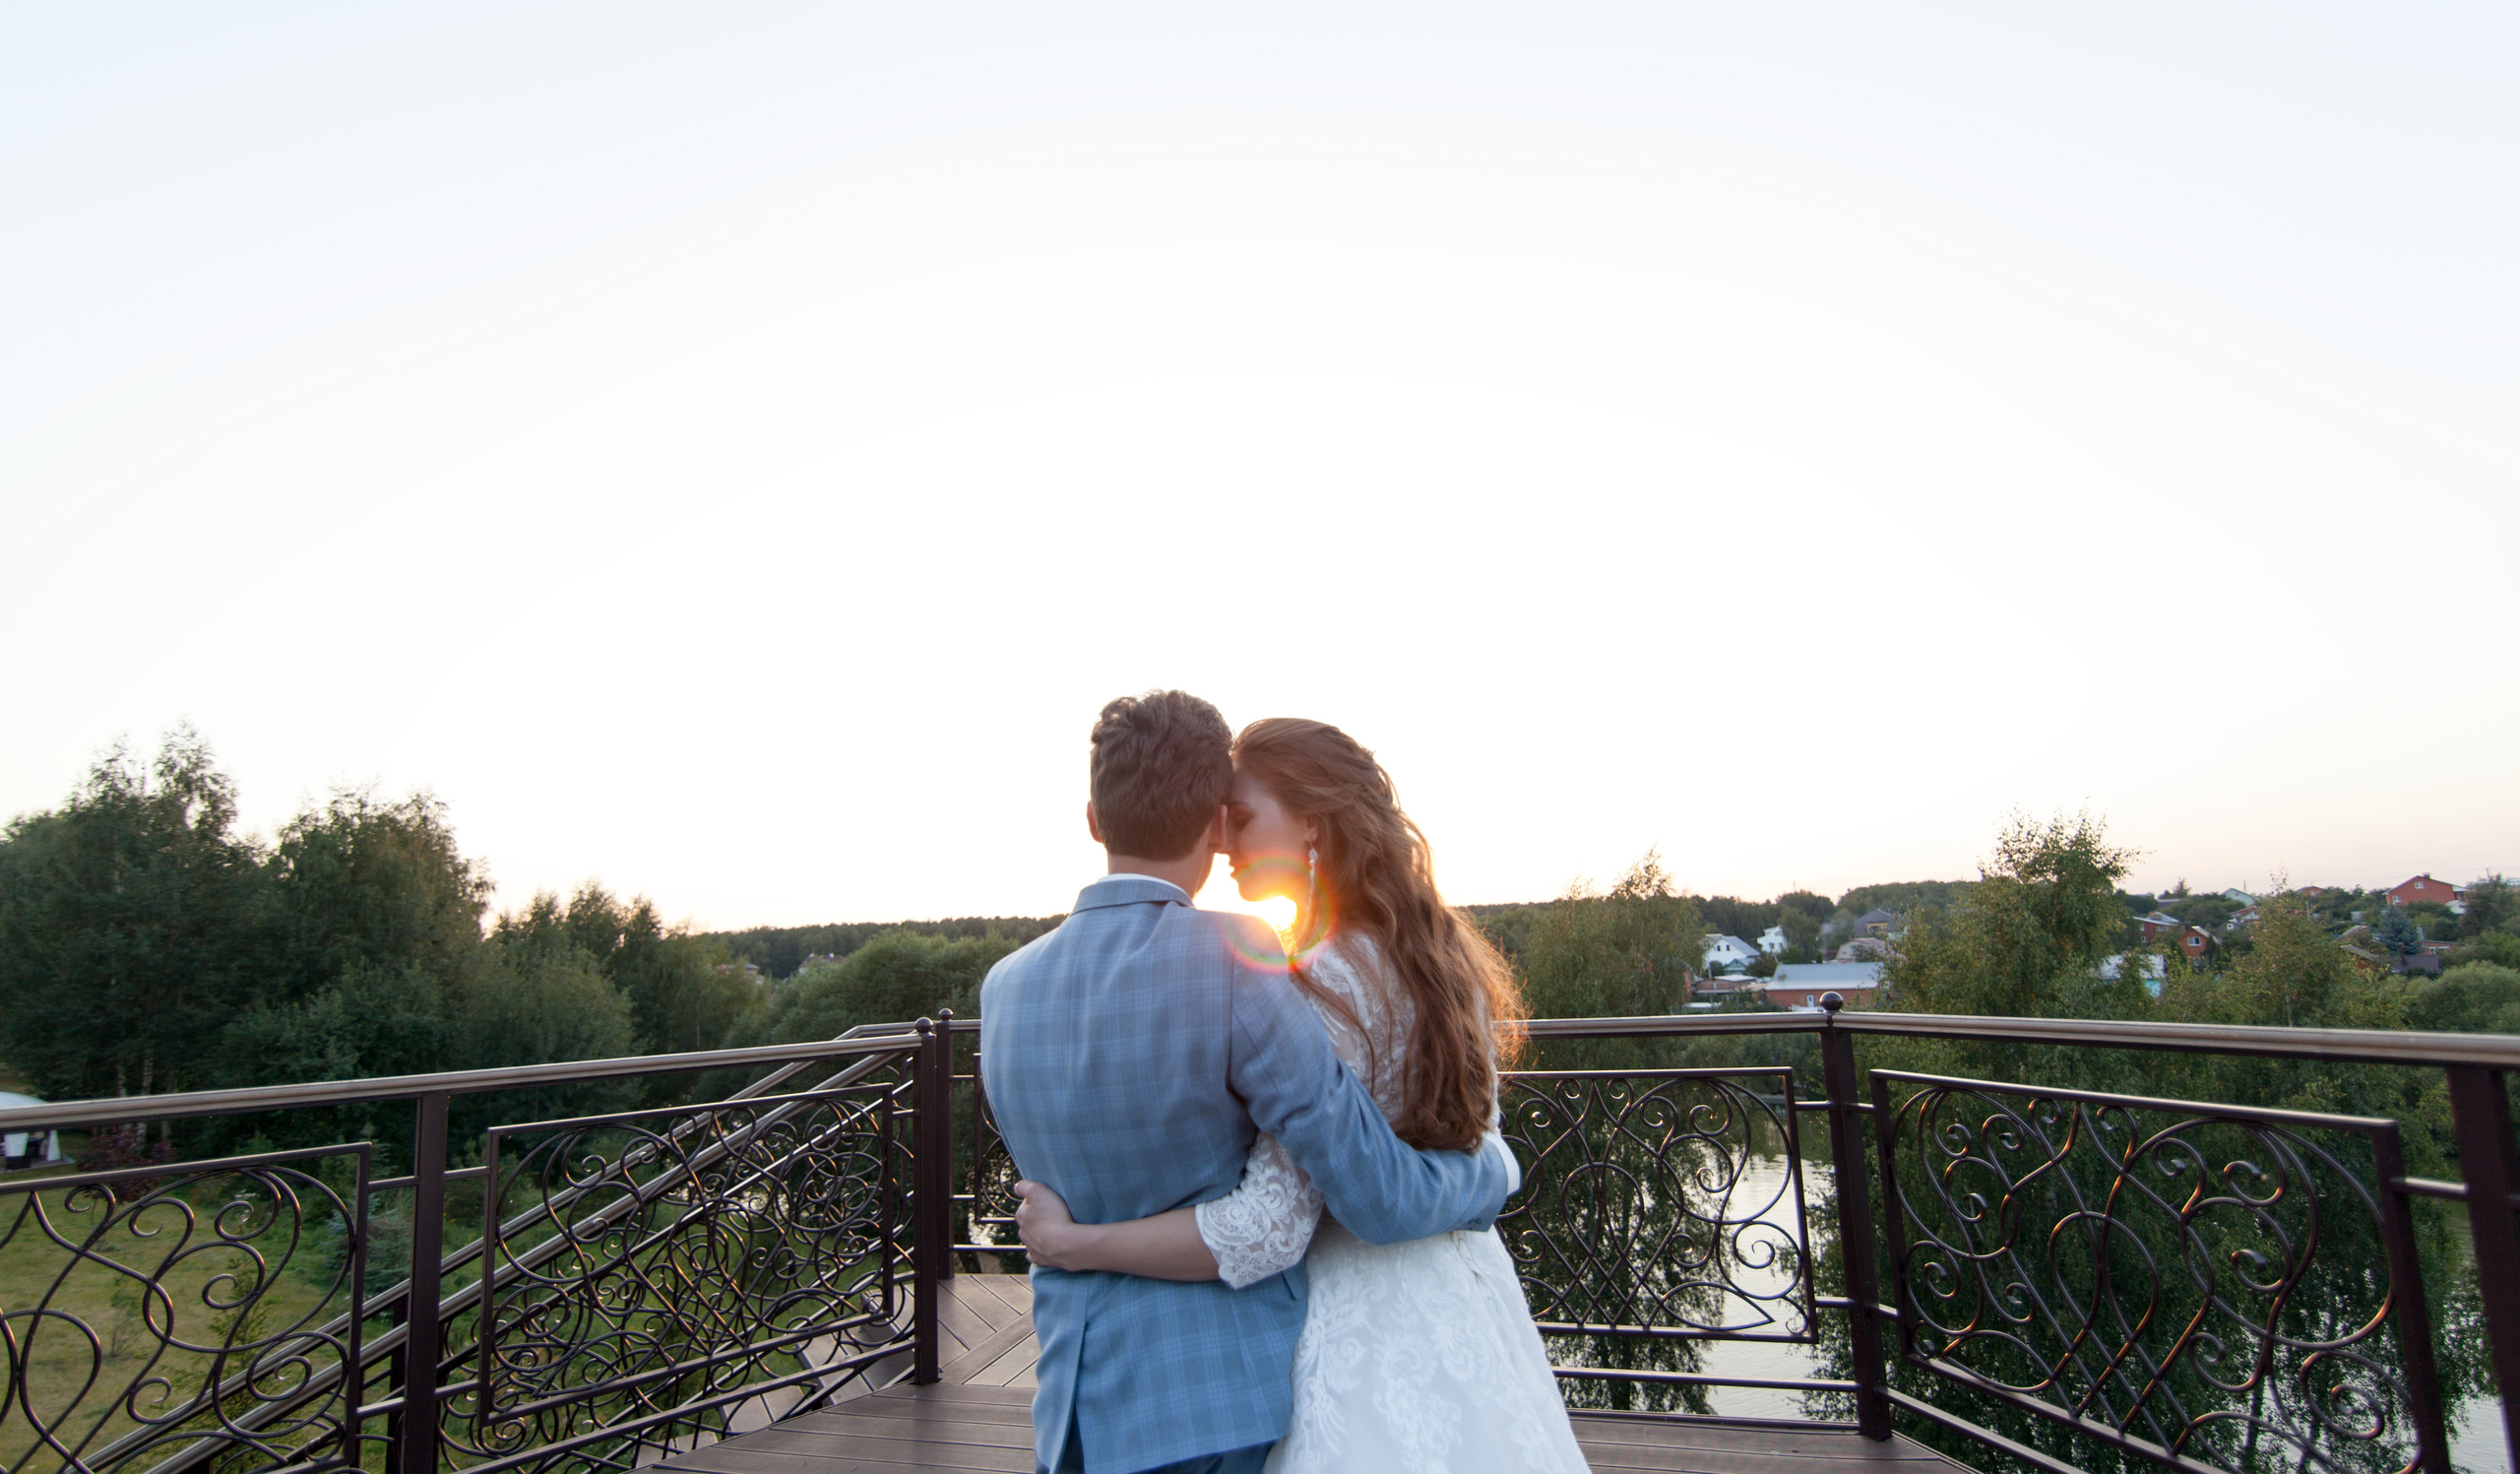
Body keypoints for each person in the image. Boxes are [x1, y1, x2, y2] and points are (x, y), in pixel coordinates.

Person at [1015, 717, 1590, 1473]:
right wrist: (1493, 1172)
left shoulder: (1319, 984)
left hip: (1355, 1321)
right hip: (1464, 1295)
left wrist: (1072, 1243)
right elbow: (1477, 1127)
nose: (1222, 843)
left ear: (1312, 821)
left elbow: (1270, 1222)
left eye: (1243, 819)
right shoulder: (1446, 962)